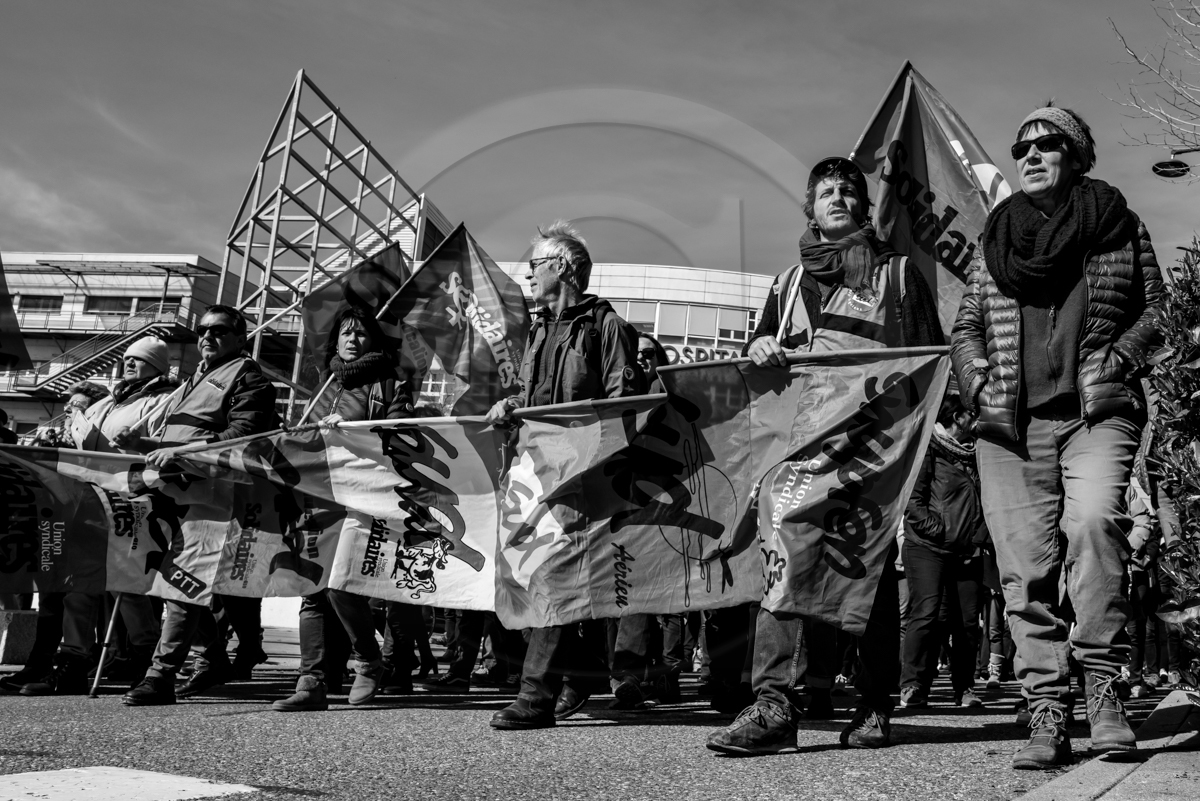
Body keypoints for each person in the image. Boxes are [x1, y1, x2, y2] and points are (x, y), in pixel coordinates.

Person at [706, 156, 943, 756]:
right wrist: (760, 346)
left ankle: (873, 705)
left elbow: (926, 368)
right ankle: (773, 704)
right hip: (800, 455)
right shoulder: (787, 286)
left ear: (864, 207)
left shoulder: (896, 274)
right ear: (809, 209)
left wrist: (910, 465)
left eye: (848, 191)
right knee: (781, 558)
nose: (837, 197)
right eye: (826, 191)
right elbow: (762, 372)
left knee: (865, 572)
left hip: (872, 454)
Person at [950, 103, 1163, 769]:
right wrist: (978, 380)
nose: (1032, 154)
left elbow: (1159, 308)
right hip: (1009, 426)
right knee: (1023, 569)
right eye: (1023, 146)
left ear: (1078, 158)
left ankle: (1102, 686)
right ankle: (1046, 702)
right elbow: (966, 326)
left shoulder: (1118, 224)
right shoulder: (997, 236)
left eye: (1049, 143)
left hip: (1094, 412)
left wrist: (1123, 358)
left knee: (1096, 523)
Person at [487, 220, 645, 730]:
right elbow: (537, 401)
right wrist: (513, 405)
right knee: (540, 577)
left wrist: (589, 456)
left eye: (535, 264)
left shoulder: (608, 327)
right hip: (538, 472)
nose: (528, 274)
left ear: (562, 268)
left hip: (583, 477)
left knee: (554, 575)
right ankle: (585, 672)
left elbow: (625, 406)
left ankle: (535, 694)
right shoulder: (538, 328)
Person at [118, 305, 280, 706]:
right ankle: (213, 656)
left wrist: (178, 452)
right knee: (174, 581)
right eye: (201, 331)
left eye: (219, 330)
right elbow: (180, 438)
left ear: (241, 337)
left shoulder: (249, 377)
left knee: (182, 583)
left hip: (216, 495)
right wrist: (144, 446)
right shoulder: (197, 378)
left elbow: (243, 436)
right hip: (175, 490)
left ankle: (161, 674)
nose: (207, 337)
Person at [273, 306, 415, 712]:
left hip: (365, 499)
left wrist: (355, 434)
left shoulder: (390, 383)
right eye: (346, 334)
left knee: (339, 585)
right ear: (335, 340)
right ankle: (312, 681)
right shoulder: (323, 383)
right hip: (318, 498)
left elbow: (401, 440)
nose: (353, 340)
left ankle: (368, 660)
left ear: (373, 341)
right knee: (313, 589)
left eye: (362, 334)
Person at [18, 340, 179, 696]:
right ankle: (74, 659)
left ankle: (144, 654)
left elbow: (166, 443)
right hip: (91, 499)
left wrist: (140, 443)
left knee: (129, 584)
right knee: (80, 581)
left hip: (134, 499)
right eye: (126, 359)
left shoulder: (167, 398)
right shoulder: (109, 400)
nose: (129, 364)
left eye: (138, 359)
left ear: (157, 365)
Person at [0, 381, 108, 694]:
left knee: (77, 596)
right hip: (55, 521)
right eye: (66, 407)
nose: (67, 412)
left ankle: (73, 663)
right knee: (50, 594)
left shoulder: (96, 434)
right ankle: (39, 662)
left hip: (89, 521)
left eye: (75, 406)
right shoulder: (54, 435)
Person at [897, 390, 989, 711]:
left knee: (966, 623)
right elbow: (913, 503)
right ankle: (914, 686)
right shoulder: (928, 449)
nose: (976, 419)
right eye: (971, 414)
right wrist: (944, 532)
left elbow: (985, 504)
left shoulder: (978, 453)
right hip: (927, 548)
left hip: (968, 551)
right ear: (956, 418)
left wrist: (977, 538)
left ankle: (964, 688)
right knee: (928, 614)